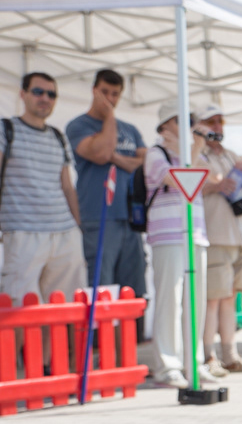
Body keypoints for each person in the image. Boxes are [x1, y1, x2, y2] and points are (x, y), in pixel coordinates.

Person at [143, 101, 213, 389]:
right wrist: (193, 150)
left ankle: (194, 362)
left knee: (196, 302)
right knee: (169, 301)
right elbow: (178, 180)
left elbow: (209, 177)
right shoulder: (155, 154)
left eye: (191, 120)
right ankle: (167, 366)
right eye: (181, 120)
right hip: (167, 234)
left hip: (195, 233)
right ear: (164, 126)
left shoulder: (192, 154)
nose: (189, 126)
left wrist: (192, 150)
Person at [0, 72, 86, 304]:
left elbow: (68, 187)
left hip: (65, 233)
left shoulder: (59, 136)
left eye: (51, 94)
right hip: (22, 231)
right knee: (18, 306)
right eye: (38, 92)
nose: (45, 98)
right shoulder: (5, 129)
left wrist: (77, 228)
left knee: (63, 307)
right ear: (23, 94)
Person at [65, 69, 147, 305]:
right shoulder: (78, 125)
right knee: (102, 288)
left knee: (132, 289)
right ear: (94, 90)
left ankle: (130, 331)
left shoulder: (130, 129)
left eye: (115, 94)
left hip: (131, 217)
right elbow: (101, 153)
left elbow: (146, 163)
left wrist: (115, 158)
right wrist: (109, 116)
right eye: (105, 92)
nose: (110, 99)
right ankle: (101, 331)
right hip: (98, 217)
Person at [195, 104, 242, 375]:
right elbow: (198, 184)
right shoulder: (196, 155)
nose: (217, 126)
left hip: (240, 238)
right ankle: (209, 356)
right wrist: (216, 185)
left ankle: (230, 355)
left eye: (220, 121)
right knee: (213, 299)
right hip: (216, 236)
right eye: (211, 121)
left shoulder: (232, 155)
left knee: (229, 299)